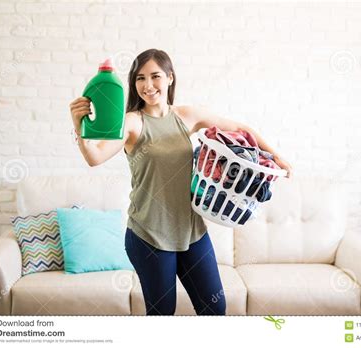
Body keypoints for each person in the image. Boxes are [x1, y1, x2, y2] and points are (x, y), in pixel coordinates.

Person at [69, 48, 293, 316]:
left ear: (170, 78)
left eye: (155, 76)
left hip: (191, 232)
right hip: (148, 236)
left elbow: (241, 130)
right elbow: (95, 157)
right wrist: (79, 124)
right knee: (163, 312)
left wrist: (277, 158)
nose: (148, 85)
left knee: (215, 308)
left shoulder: (186, 116)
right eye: (140, 78)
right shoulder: (131, 122)